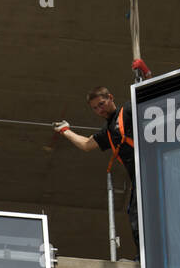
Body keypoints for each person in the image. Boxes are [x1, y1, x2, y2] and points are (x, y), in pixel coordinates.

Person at [53, 85, 140, 257]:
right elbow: (86, 144)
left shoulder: (128, 110)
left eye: (101, 104)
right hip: (139, 177)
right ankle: (145, 257)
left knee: (140, 215)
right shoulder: (108, 131)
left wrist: (146, 74)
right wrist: (66, 131)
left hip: (149, 169)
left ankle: (147, 257)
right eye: (95, 108)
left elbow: (149, 99)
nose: (99, 110)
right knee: (136, 216)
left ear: (110, 97)